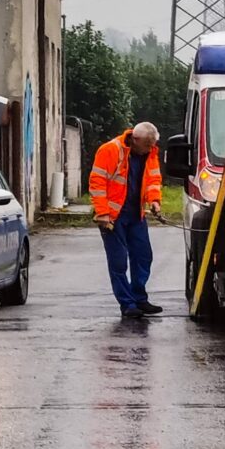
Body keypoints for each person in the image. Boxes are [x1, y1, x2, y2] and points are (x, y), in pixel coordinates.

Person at [90, 122, 164, 318]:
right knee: (118, 261)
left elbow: (153, 180)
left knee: (143, 256)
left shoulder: (150, 153)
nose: (150, 149)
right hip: (113, 217)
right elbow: (97, 182)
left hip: (136, 215)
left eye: (152, 145)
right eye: (148, 145)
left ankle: (139, 297)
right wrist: (103, 213)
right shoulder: (110, 150)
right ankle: (127, 304)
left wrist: (154, 201)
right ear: (136, 140)